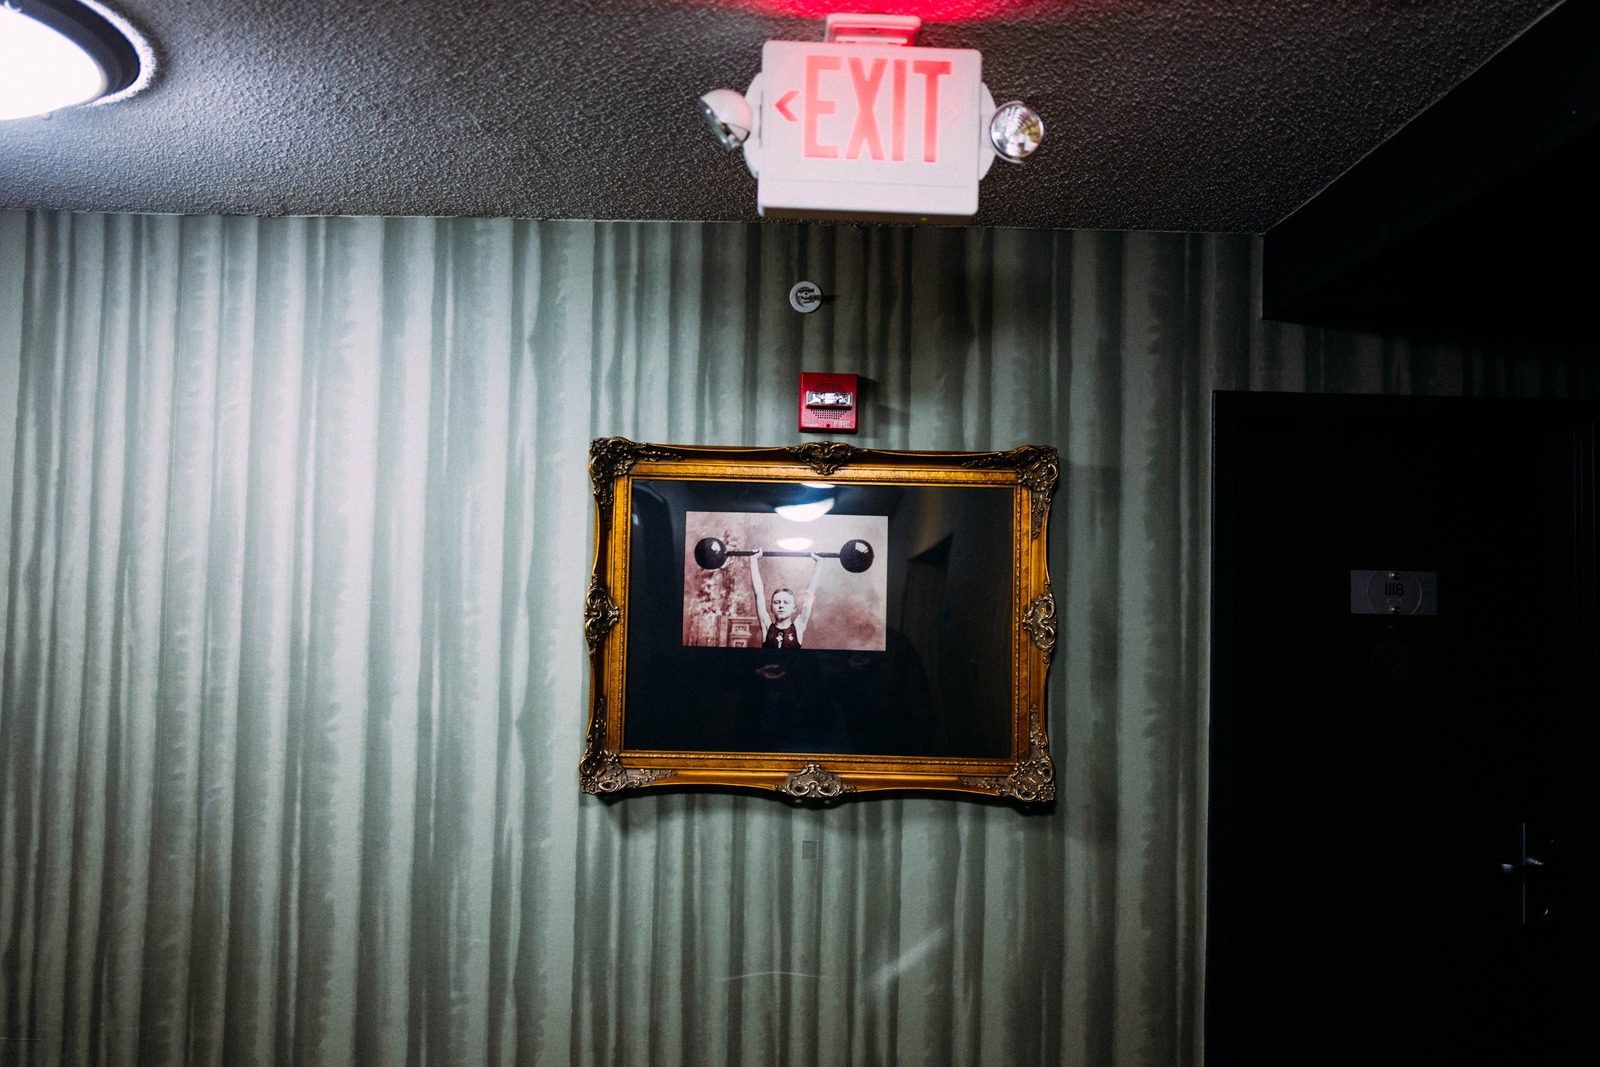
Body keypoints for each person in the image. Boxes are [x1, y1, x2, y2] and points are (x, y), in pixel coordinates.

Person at [749, 548, 823, 649]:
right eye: (777, 602)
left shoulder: (798, 627)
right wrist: (753, 560)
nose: (781, 606)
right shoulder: (766, 626)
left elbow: (809, 595)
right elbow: (758, 593)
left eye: (786, 602)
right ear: (771, 608)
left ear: (794, 608)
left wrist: (819, 563)